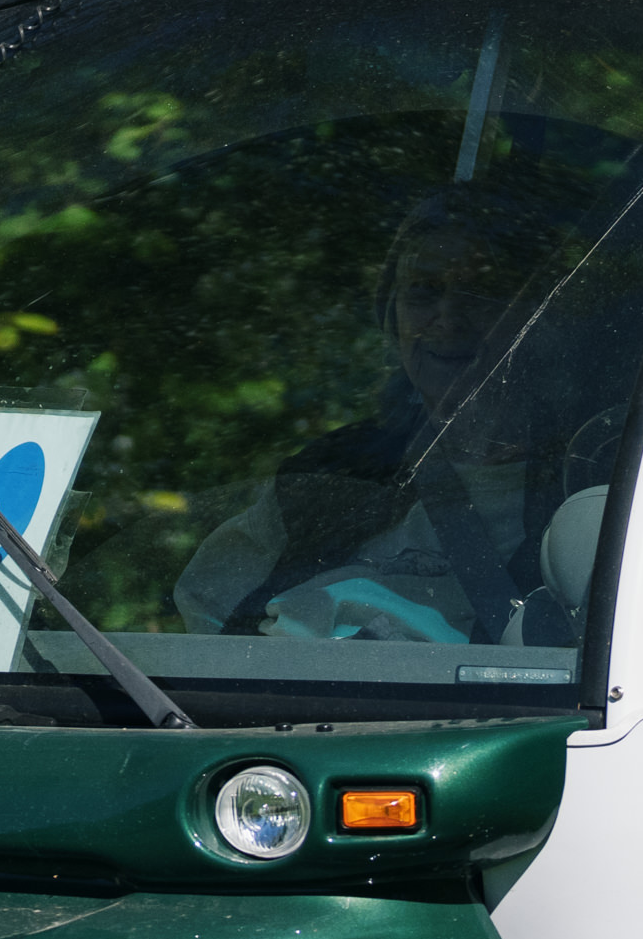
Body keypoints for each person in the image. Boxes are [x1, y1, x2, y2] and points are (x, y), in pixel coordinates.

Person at [171, 182, 600, 645]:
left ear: (541, 317)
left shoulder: (595, 482)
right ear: (390, 318)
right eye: (423, 293)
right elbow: (208, 632)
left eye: (481, 294)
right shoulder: (329, 477)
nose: (448, 317)